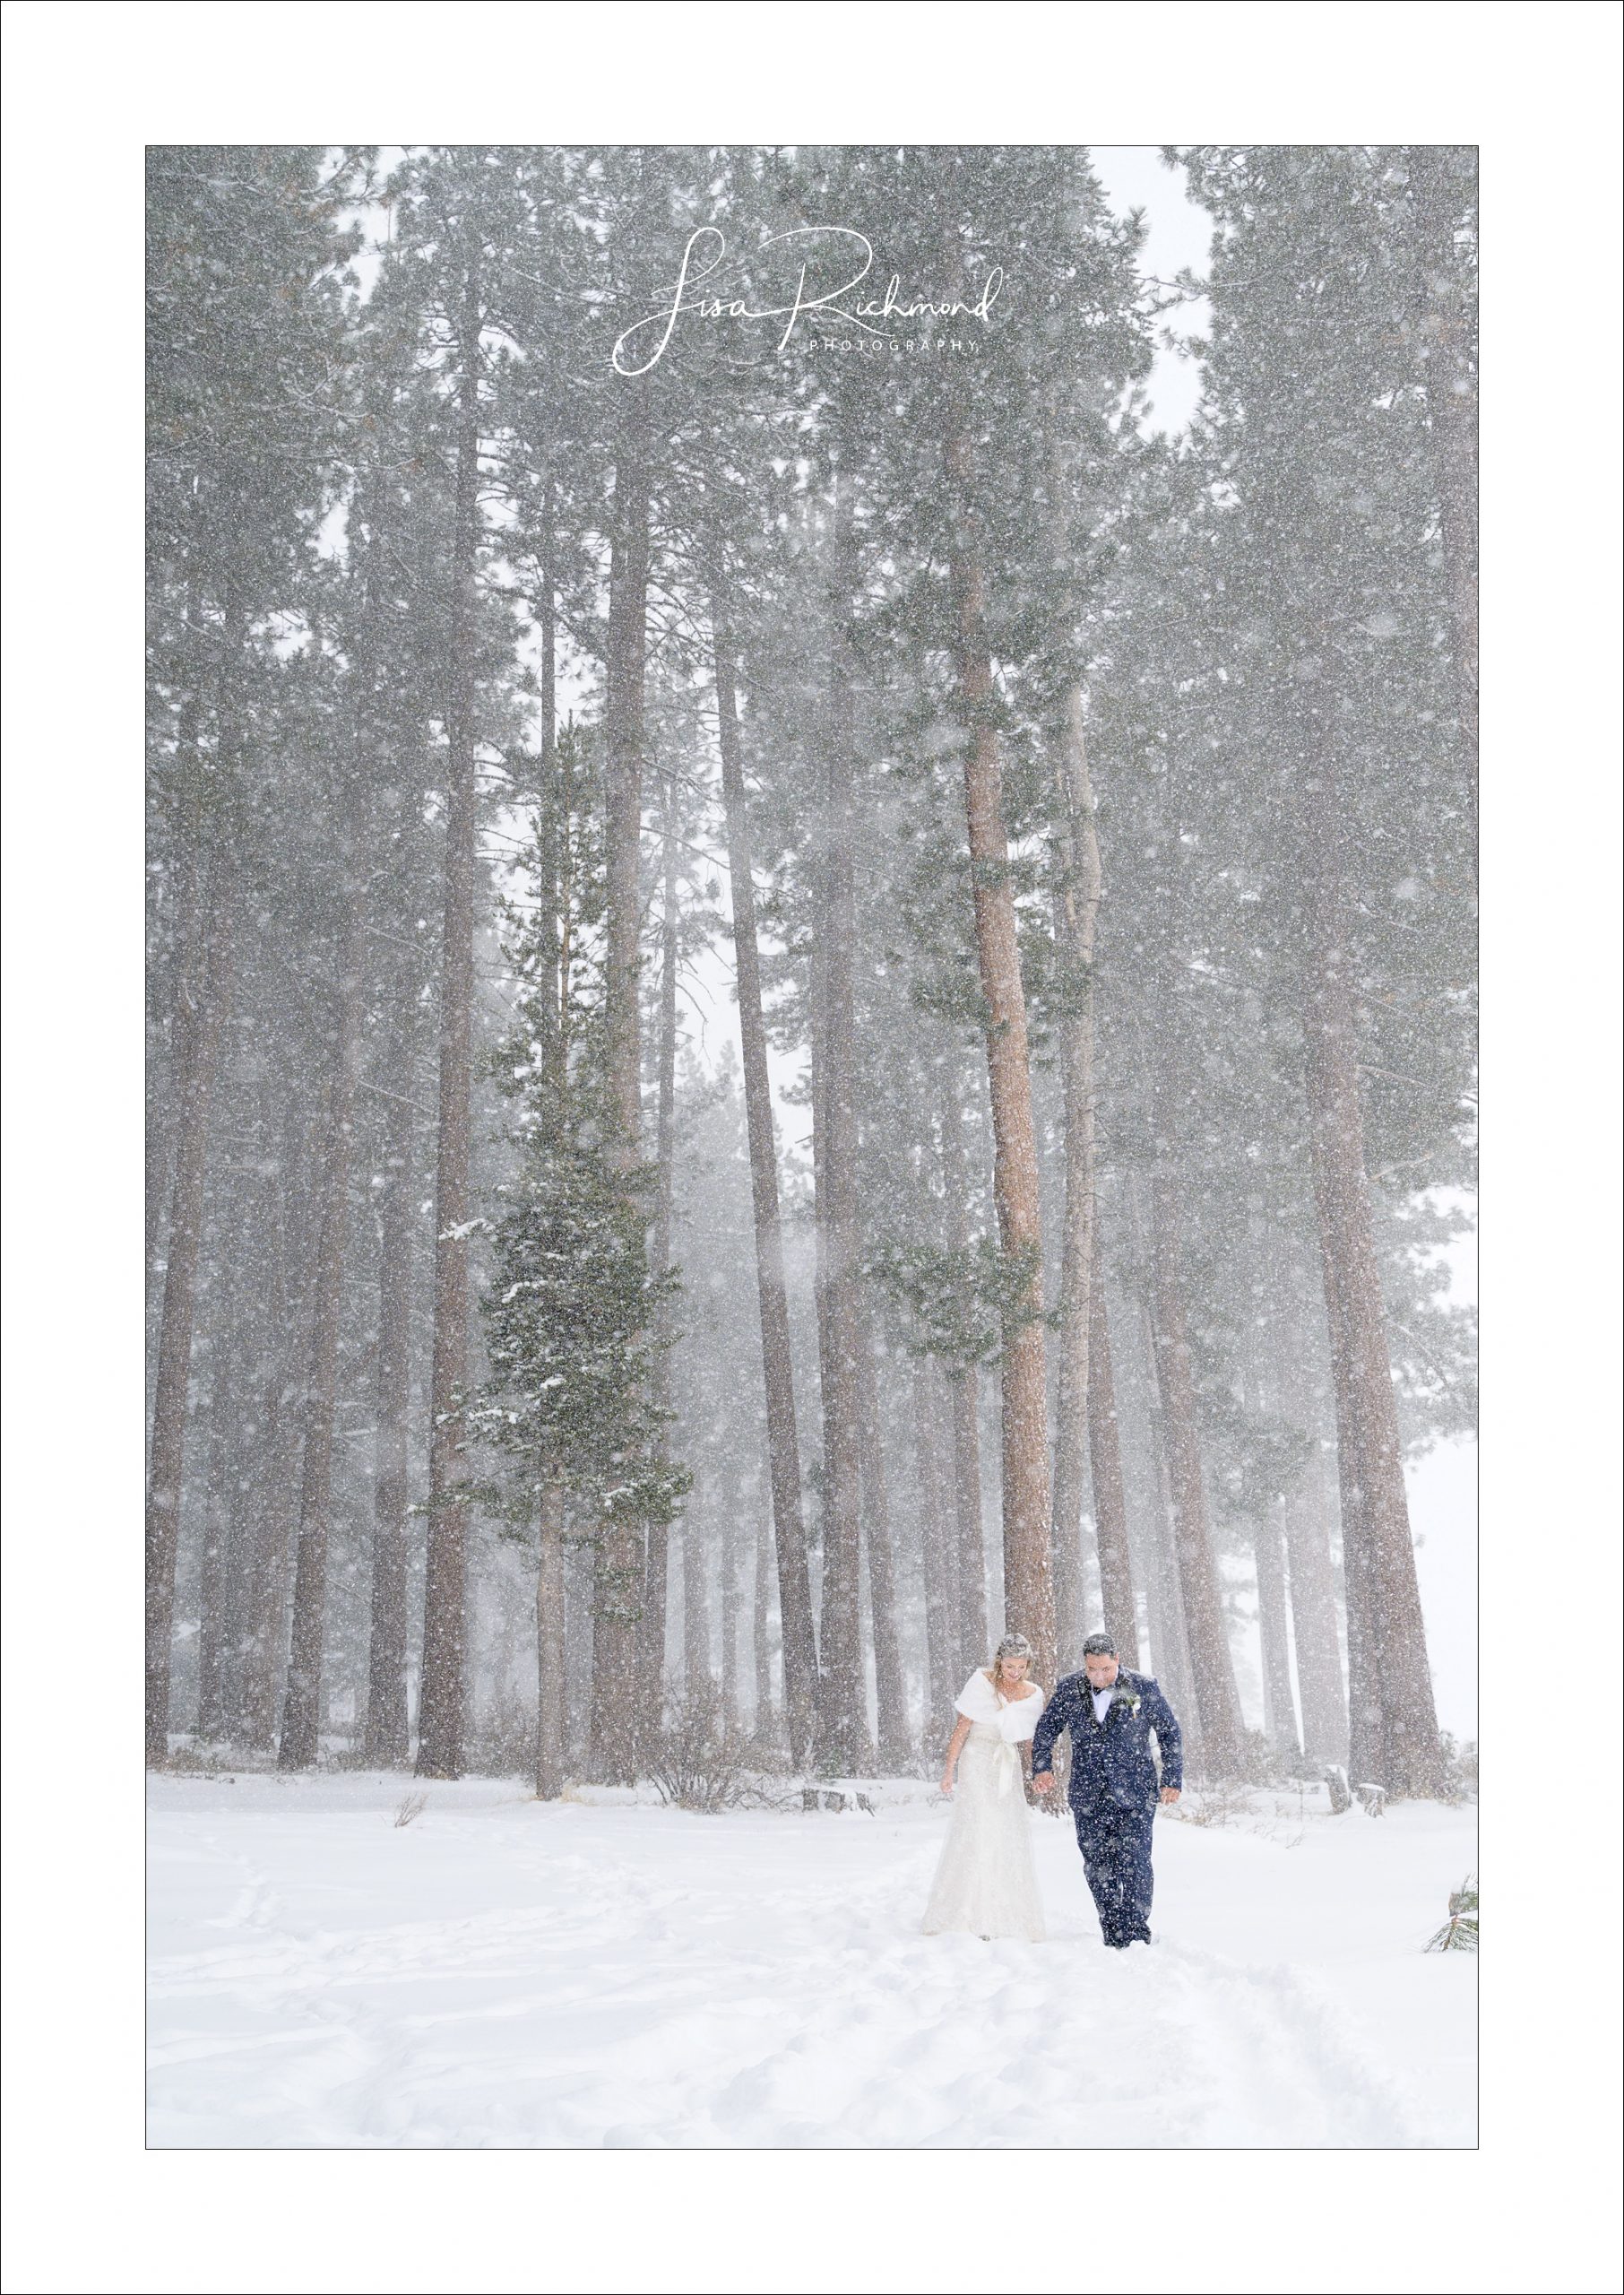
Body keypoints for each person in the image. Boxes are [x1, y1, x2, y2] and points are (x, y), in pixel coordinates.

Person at [1030, 1632, 1181, 1948]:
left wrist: (1172, 1778)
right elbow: (1046, 1729)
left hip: (1136, 1792)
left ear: (1117, 1660)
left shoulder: (1142, 1686)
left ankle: (1137, 1930)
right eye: (1092, 1670)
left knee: (1136, 1860)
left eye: (1105, 1670)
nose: (1098, 1676)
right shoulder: (1070, 1688)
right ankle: (1113, 1930)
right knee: (1098, 1864)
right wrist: (1042, 1767)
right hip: (1089, 1793)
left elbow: (1169, 1733)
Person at [920, 1634, 1047, 1943]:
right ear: (999, 1661)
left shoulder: (1033, 1694)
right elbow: (962, 1728)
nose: (1014, 1671)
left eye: (1020, 1666)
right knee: (978, 1826)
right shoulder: (981, 1683)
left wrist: (1038, 1772)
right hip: (977, 1758)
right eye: (1009, 1665)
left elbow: (1031, 1738)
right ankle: (966, 1911)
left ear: (1028, 1665)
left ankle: (1004, 1912)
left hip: (1007, 1762)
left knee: (1006, 1829)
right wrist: (949, 1770)